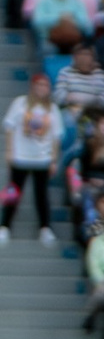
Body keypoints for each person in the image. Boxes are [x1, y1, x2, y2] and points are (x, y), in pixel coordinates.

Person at [2, 73, 65, 242]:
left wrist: (53, 159)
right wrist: (9, 151)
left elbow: (56, 137)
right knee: (13, 192)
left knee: (41, 194)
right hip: (20, 156)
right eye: (39, 85)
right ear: (32, 86)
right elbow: (9, 127)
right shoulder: (20, 103)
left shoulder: (52, 109)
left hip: (42, 158)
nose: (41, 88)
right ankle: (5, 226)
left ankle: (45, 228)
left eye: (45, 85)